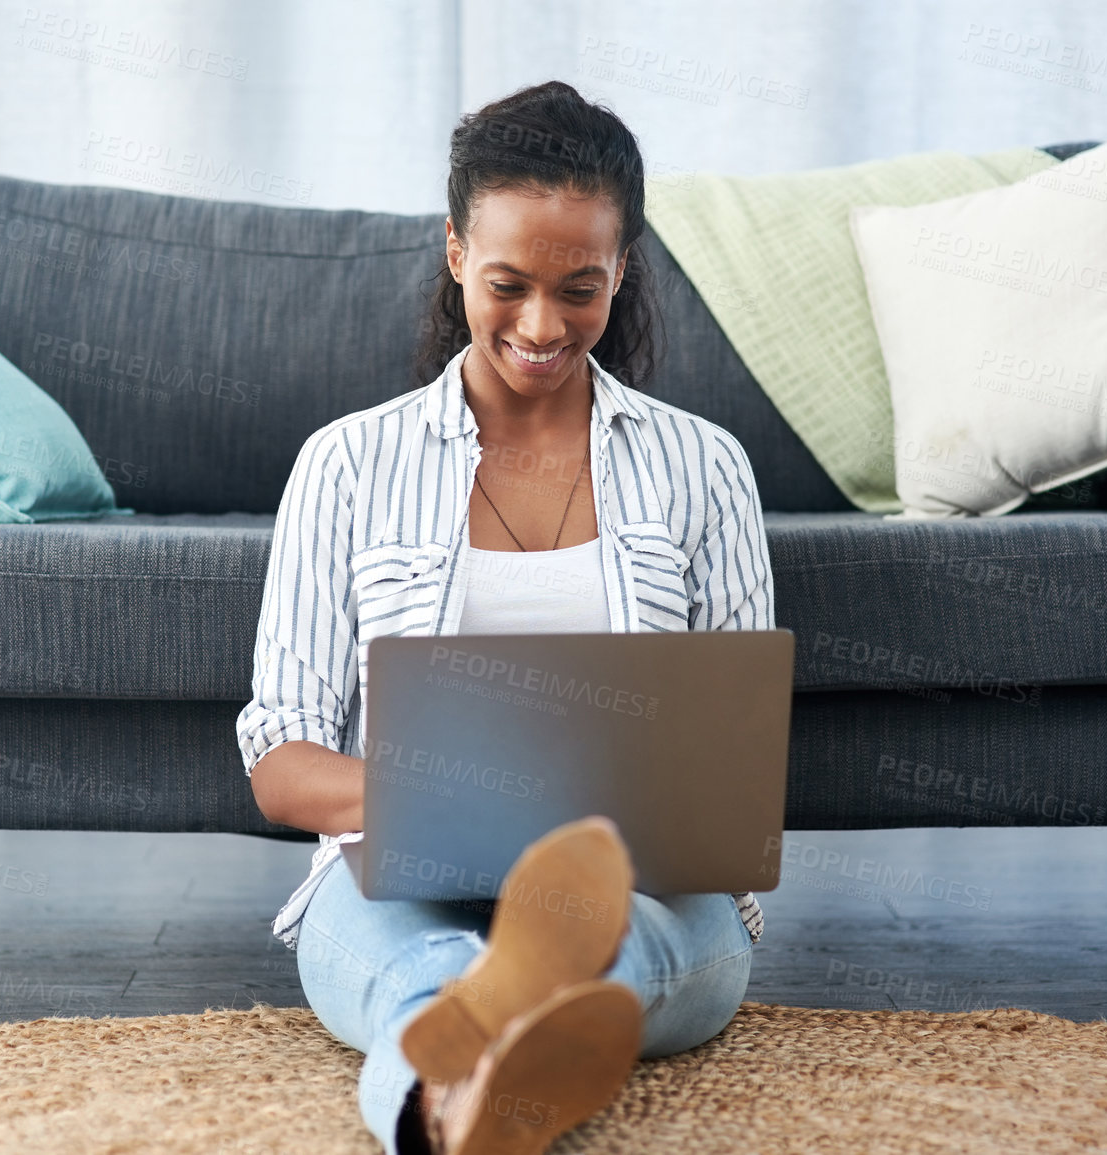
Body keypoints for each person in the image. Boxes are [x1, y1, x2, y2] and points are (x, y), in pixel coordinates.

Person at [236, 79, 775, 1154]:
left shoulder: (705, 469)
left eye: (580, 287)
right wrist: (465, 797)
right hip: (396, 873)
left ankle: (453, 1086)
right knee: (415, 968)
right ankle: (490, 1069)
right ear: (452, 255)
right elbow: (279, 755)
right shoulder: (349, 464)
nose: (542, 325)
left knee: (620, 954)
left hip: (643, 891)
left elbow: (738, 762)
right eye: (508, 284)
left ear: (624, 268)